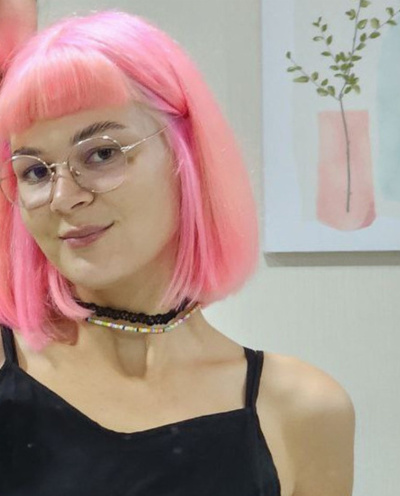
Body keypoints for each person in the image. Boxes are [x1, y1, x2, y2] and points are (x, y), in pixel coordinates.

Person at [0, 4, 355, 496]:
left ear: (186, 155)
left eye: (101, 153)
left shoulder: (301, 410)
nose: (63, 197)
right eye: (35, 171)